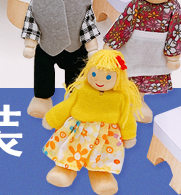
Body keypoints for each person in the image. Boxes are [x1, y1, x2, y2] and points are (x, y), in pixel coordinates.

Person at [42, 48, 141, 193]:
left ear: (118, 77)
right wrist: (52, 119)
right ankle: (65, 170)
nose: (99, 81)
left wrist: (129, 136)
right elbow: (66, 106)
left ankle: (101, 176)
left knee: (101, 158)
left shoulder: (121, 98)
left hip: (105, 137)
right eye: (94, 74)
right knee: (71, 150)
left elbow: (126, 118)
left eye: (108, 77)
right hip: (79, 132)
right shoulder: (81, 90)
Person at [104, 0, 181, 122]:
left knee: (144, 80)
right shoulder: (137, 5)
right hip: (133, 47)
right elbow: (123, 24)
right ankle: (114, 100)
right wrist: (111, 45)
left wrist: (173, 55)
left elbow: (176, 31)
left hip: (156, 52)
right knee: (124, 75)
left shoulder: (173, 8)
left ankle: (137, 102)